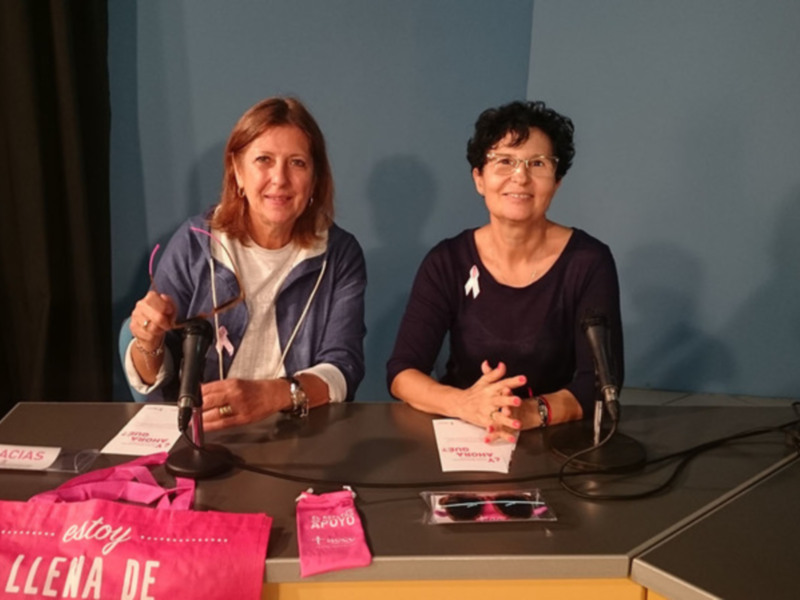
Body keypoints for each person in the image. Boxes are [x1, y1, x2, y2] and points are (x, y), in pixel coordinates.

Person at [387, 100, 623, 442]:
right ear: (479, 179)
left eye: (537, 163)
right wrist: (465, 404)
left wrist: (529, 412)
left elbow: (600, 382)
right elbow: (402, 372)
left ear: (557, 182)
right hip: (464, 433)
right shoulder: (447, 261)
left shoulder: (588, 261)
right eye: (505, 161)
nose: (520, 177)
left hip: (555, 439)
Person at [125, 97, 366, 431]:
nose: (279, 178)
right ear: (238, 172)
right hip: (206, 433)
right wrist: (147, 342)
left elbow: (343, 367)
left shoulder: (340, 254)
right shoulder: (195, 243)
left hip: (299, 433)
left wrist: (273, 395)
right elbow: (156, 378)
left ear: (314, 179)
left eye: (297, 163)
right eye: (264, 160)